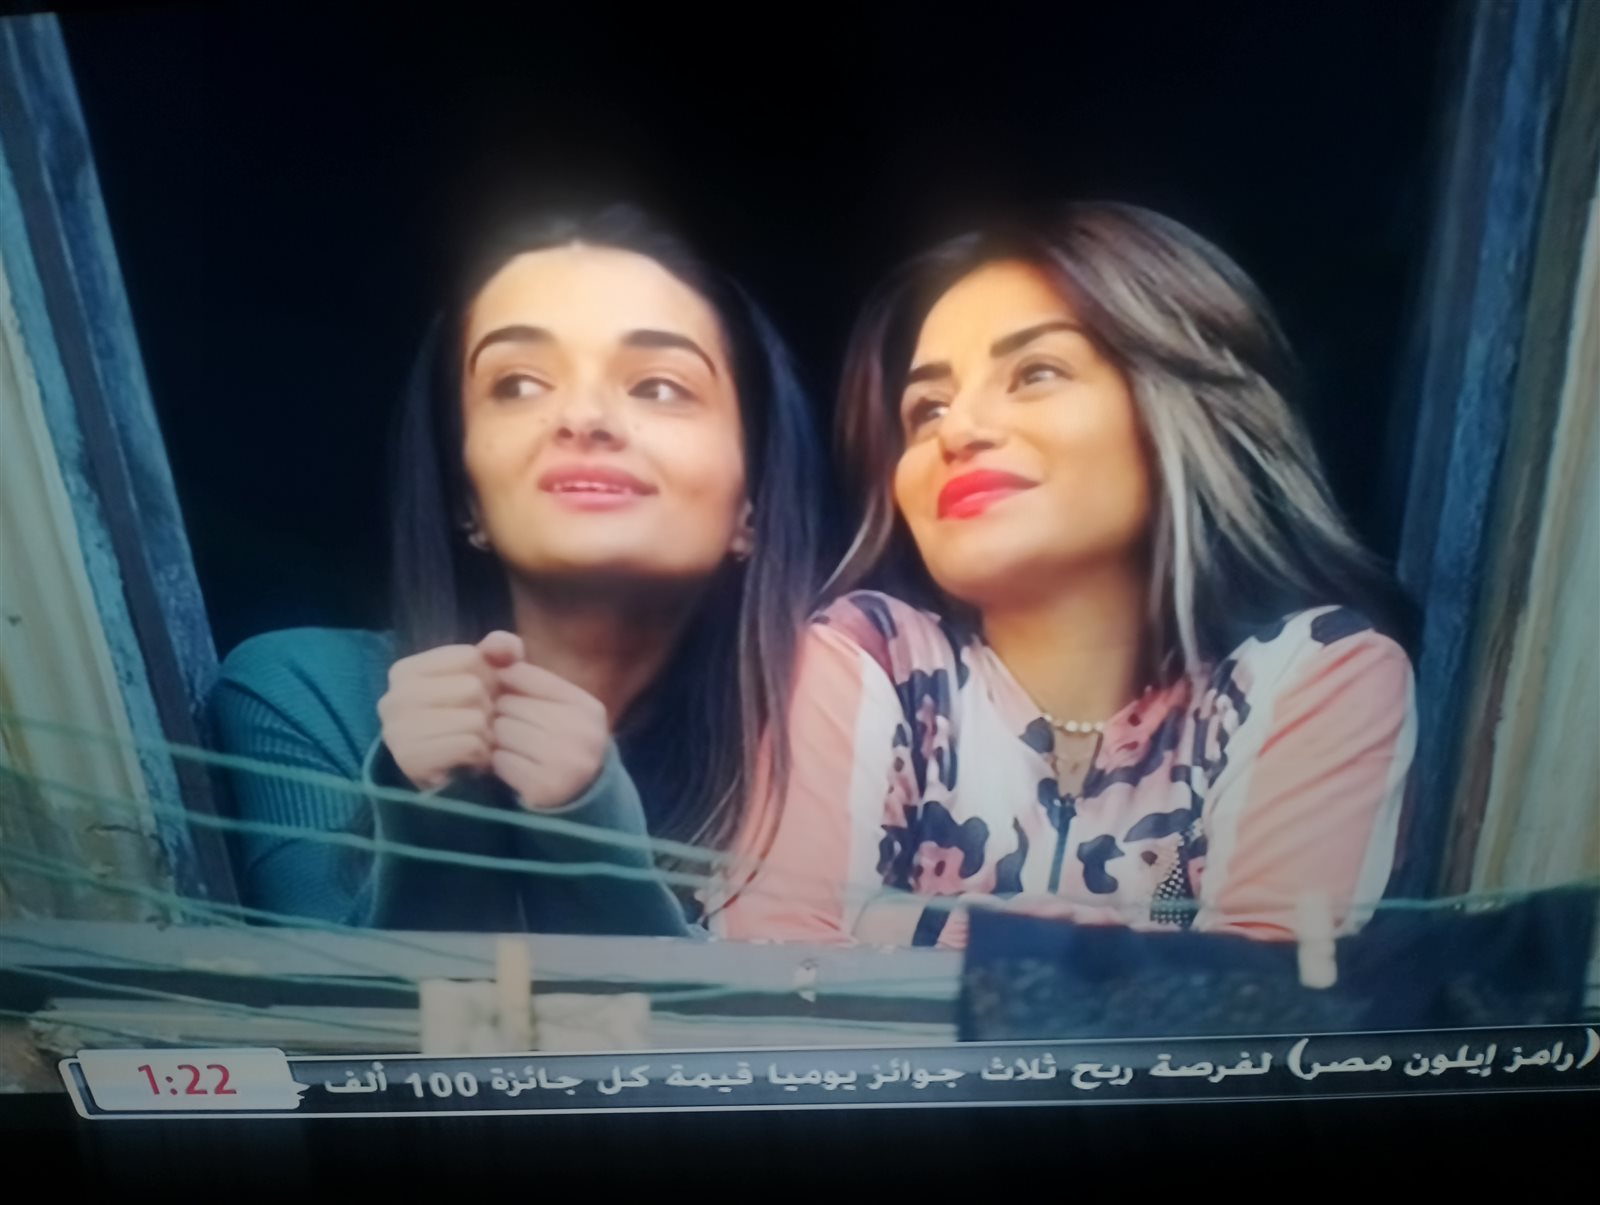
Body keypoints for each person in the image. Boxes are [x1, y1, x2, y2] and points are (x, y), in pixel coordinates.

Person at [707, 202, 1416, 948]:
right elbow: (770, 967)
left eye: (1036, 372)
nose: (959, 429)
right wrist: (1146, 944)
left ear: (1179, 409)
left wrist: (893, 926)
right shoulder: (869, 660)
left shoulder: (1312, 678)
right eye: (928, 408)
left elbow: (1257, 997)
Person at [212, 203, 824, 932]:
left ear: (753, 502)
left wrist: (589, 830)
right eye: (519, 384)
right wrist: (434, 817)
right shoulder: (305, 693)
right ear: (466, 493)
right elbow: (313, 1003)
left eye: (658, 387)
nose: (584, 418)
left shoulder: (823, 741)